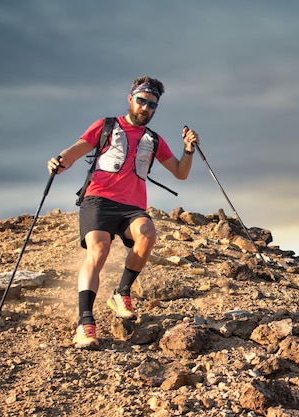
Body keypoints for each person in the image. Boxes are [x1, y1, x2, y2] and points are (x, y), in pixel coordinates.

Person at [48, 76, 199, 349]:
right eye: (141, 101)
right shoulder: (106, 126)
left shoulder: (153, 140)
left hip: (132, 207)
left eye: (152, 105)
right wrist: (60, 161)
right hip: (98, 200)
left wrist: (189, 149)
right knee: (100, 248)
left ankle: (122, 292)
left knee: (147, 234)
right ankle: (85, 321)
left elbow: (180, 172)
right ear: (131, 99)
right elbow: (76, 150)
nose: (145, 108)